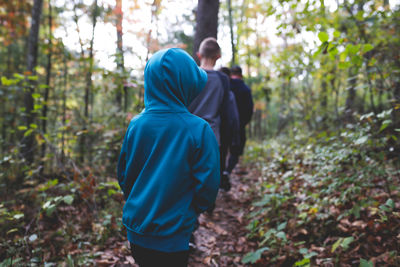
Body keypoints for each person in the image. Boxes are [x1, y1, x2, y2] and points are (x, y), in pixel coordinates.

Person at [117, 48, 220, 267]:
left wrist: (139, 202)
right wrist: (192, 211)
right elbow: (208, 186)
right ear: (187, 84)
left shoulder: (136, 125)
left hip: (136, 231)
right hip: (174, 236)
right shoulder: (198, 129)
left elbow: (124, 174)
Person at [188, 37, 239, 191]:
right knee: (209, 177)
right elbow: (226, 112)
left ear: (199, 55)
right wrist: (229, 140)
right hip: (212, 136)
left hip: (188, 135)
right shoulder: (223, 79)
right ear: (218, 56)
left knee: (189, 176)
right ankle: (208, 206)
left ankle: (192, 212)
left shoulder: (189, 76)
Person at [226, 65, 254, 175]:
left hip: (223, 124)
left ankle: (221, 173)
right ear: (241, 75)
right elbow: (249, 110)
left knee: (222, 149)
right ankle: (227, 172)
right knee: (235, 151)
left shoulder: (225, 86)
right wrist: (242, 123)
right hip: (239, 126)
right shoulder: (246, 89)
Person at [218, 67, 240, 191]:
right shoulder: (229, 94)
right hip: (224, 132)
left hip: (208, 130)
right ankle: (220, 183)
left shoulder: (203, 87)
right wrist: (235, 136)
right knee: (220, 159)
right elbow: (234, 117)